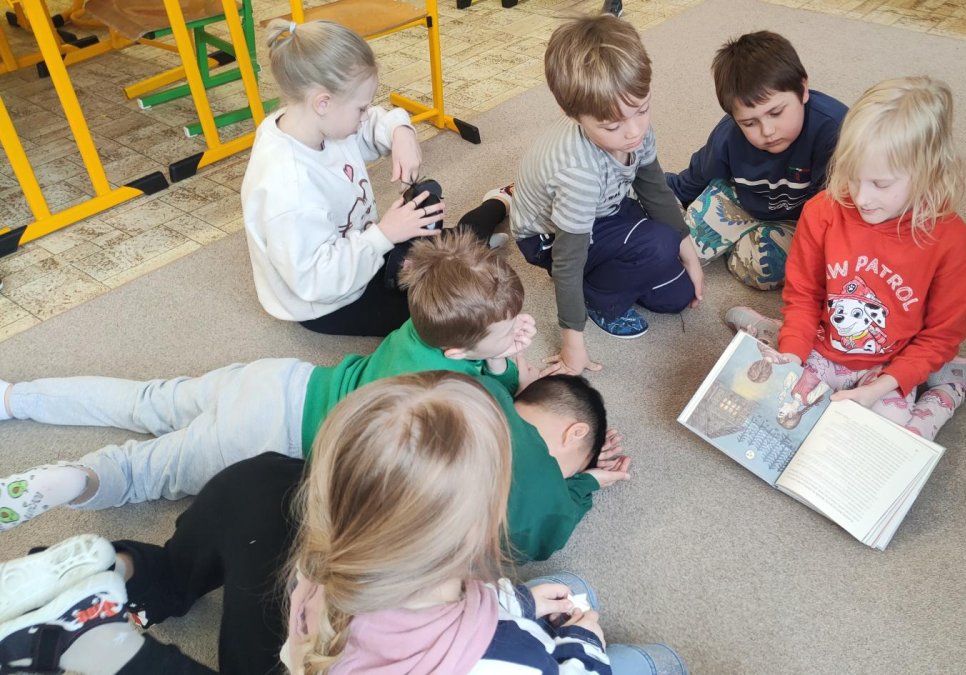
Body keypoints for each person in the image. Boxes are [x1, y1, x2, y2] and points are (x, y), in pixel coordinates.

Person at [0, 374, 685, 673]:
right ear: (482, 534)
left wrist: (520, 605)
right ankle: (112, 647)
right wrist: (581, 646)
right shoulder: (515, 654)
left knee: (557, 594)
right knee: (645, 656)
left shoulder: (316, 575)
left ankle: (106, 581)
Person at [0, 235, 625, 561]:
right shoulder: (458, 396)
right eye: (507, 330)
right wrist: (582, 479)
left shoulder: (419, 330)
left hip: (278, 380)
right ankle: (73, 480)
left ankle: (15, 398)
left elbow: (480, 367)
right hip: (271, 436)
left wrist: (498, 351)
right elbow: (531, 507)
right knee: (143, 472)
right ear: (462, 353)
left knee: (147, 401)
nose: (517, 336)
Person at [725, 77, 966, 441]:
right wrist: (792, 355)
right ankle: (779, 336)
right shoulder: (822, 212)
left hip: (890, 364)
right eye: (852, 177)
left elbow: (940, 336)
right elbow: (804, 296)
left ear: (929, 173)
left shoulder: (952, 244)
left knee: (888, 440)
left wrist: (881, 386)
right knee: (771, 407)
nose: (861, 197)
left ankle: (949, 389)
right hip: (822, 347)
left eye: (880, 184)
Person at [506, 14, 703, 365]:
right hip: (550, 237)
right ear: (571, 114)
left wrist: (689, 252)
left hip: (603, 206)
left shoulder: (634, 130)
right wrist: (572, 343)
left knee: (677, 296)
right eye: (612, 126)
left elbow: (654, 189)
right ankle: (597, 298)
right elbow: (568, 260)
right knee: (659, 243)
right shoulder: (578, 173)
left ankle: (612, 275)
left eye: (642, 109)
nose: (634, 132)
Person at [241, 19, 445, 338]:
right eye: (361, 108)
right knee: (447, 310)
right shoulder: (289, 187)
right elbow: (316, 281)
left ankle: (489, 211)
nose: (365, 116)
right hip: (328, 301)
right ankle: (492, 209)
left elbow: (373, 123)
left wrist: (400, 131)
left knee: (439, 236)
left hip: (363, 252)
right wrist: (385, 235)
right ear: (323, 102)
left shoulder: (314, 122)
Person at [665, 31, 847, 291]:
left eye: (776, 112)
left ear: (803, 89)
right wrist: (653, 193)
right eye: (750, 123)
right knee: (679, 249)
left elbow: (846, 210)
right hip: (738, 198)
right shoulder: (727, 137)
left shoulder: (836, 130)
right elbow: (691, 180)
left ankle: (738, 246)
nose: (767, 131)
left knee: (771, 268)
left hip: (799, 218)